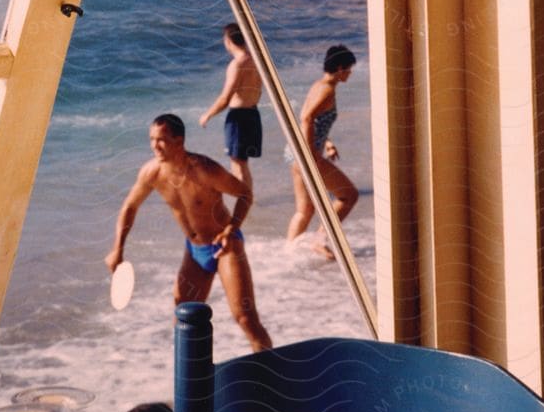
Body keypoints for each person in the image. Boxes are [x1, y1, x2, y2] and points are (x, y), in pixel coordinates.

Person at [106, 113, 272, 351]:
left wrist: (231, 229)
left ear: (179, 141)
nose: (155, 145)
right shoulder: (151, 173)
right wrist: (117, 250)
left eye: (161, 139)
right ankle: (191, 381)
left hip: (226, 247)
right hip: (195, 251)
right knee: (183, 319)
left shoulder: (203, 169)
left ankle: (269, 375)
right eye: (152, 139)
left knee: (246, 319)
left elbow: (245, 194)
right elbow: (129, 207)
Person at [287, 45, 361, 256]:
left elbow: (312, 119)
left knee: (304, 210)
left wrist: (326, 142)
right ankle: (319, 240)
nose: (350, 73)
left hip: (294, 152)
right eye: (348, 69)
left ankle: (288, 255)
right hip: (306, 154)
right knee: (349, 195)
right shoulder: (327, 90)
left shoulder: (318, 85)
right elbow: (307, 118)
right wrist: (311, 154)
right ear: (339, 68)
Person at [198, 22, 263, 191]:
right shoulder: (257, 59)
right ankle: (248, 201)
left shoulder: (237, 64)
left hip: (239, 118)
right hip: (253, 114)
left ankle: (244, 202)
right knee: (242, 164)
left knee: (238, 165)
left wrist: (207, 115)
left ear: (228, 41)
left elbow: (225, 98)